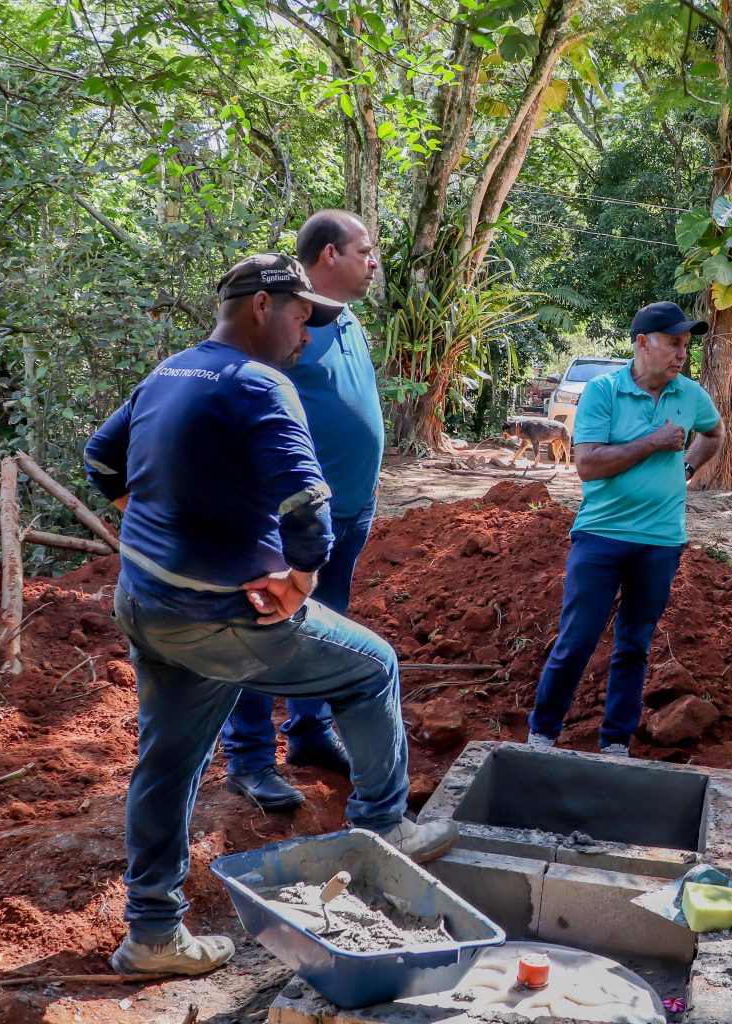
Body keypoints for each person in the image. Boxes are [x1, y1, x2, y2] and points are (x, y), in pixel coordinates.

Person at [85, 254, 457, 977]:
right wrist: (302, 577)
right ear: (262, 304)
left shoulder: (172, 370)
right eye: (300, 315)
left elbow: (102, 460)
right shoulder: (259, 384)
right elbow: (304, 503)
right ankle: (385, 828)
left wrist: (161, 535)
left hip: (148, 600)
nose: (307, 334)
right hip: (225, 613)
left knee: (166, 763)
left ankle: (154, 934)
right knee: (372, 667)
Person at [219, 211, 384, 812]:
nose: (374, 262)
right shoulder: (286, 327)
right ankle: (249, 758)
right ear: (328, 255)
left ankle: (310, 732)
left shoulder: (351, 322)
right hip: (288, 517)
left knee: (327, 622)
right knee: (263, 627)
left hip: (351, 510)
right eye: (364, 251)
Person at [527, 301, 724, 755]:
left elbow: (714, 434)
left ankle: (615, 742)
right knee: (576, 640)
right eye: (673, 344)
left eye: (685, 346)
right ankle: (542, 735)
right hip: (601, 537)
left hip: (660, 542)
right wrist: (655, 443)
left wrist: (688, 466)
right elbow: (589, 465)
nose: (681, 354)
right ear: (642, 343)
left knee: (634, 645)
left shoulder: (690, 395)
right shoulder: (602, 392)